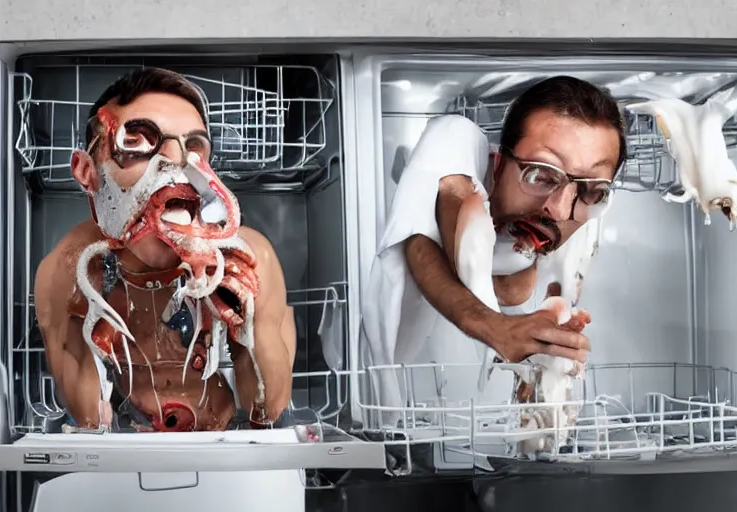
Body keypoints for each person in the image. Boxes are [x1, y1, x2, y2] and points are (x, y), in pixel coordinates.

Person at [34, 68, 296, 432]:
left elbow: (267, 410)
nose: (176, 163)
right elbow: (89, 418)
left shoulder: (248, 257)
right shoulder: (70, 267)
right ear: (87, 172)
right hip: (129, 438)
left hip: (222, 440)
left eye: (193, 148)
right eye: (139, 141)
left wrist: (247, 322)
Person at [361, 76, 627, 421]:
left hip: (485, 434)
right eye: (541, 175)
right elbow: (422, 242)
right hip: (388, 408)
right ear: (499, 163)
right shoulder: (456, 141)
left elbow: (518, 288)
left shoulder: (586, 211)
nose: (560, 211)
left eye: (592, 190)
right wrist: (497, 329)